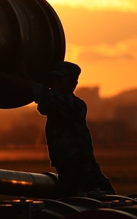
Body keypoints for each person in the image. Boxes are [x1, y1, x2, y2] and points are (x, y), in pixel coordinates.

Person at [7, 61, 113, 196]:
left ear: (73, 84)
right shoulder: (64, 103)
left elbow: (33, 89)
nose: (53, 84)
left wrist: (12, 75)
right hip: (72, 168)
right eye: (53, 80)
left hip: (80, 169)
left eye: (59, 80)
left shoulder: (71, 104)